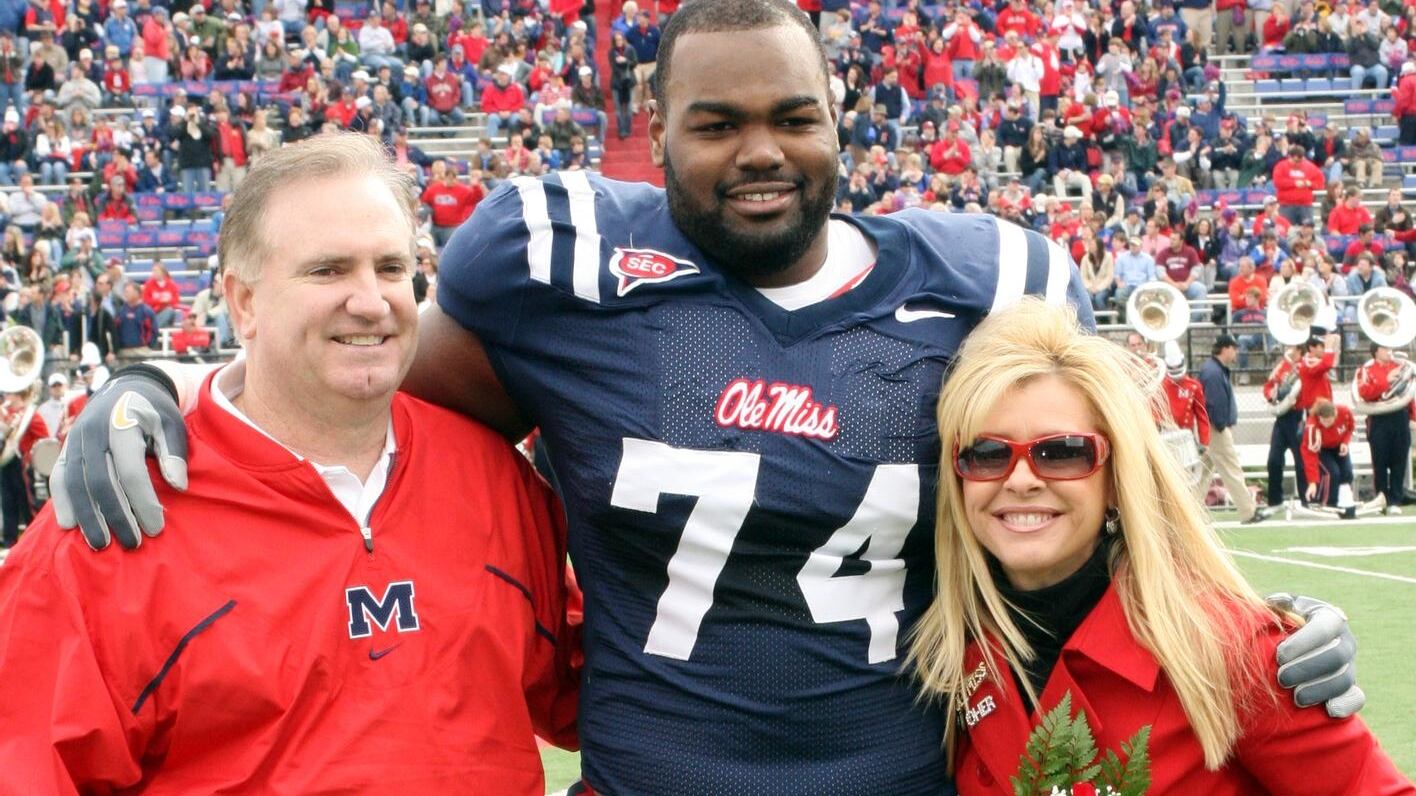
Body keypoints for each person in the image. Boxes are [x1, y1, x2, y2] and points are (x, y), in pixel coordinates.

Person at [51, 3, 1364, 794]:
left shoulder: (987, 279)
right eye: (714, 123)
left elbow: (1099, 506)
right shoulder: (558, 261)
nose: (759, 153)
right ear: (651, 129)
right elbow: (365, 388)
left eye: (793, 117)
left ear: (844, 120)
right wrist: (160, 382)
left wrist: (1266, 630)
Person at [0, 134, 580, 792]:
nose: (371, 300)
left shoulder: (493, 476)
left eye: (391, 268)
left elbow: (604, 693)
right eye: (328, 270)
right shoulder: (115, 515)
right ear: (242, 302)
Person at [908, 299, 1414, 794]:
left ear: (1115, 480)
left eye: (1061, 452)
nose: (1020, 480)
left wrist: (1263, 644)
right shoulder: (949, 656)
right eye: (988, 453)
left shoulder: (1231, 652)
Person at [1199, 334, 1264, 522]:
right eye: (1234, 348)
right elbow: (1214, 402)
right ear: (1225, 349)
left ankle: (1191, 511)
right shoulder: (1213, 372)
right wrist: (1222, 425)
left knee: (1204, 471)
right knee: (1231, 469)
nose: (1236, 352)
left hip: (1211, 427)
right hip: (1216, 428)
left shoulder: (1213, 370)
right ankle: (1248, 511)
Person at [1353, 341, 1414, 514]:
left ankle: (1395, 500)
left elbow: (1408, 392)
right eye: (1385, 348)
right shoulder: (1366, 370)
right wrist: (1386, 381)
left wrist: (1413, 416)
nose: (1389, 351)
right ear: (1376, 351)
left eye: (1389, 347)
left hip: (1400, 417)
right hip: (1379, 418)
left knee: (1399, 461)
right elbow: (1365, 392)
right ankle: (1381, 498)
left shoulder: (1400, 367)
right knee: (1379, 462)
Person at [1302, 399, 1358, 516]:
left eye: (1329, 421)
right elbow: (1309, 454)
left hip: (1338, 446)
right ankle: (1329, 504)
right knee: (1332, 473)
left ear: (1335, 415)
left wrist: (1345, 442)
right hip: (1322, 450)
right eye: (1324, 421)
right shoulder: (1312, 427)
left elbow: (1350, 428)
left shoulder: (1345, 412)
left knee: (1347, 473)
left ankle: (1345, 503)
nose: (1326, 424)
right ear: (1319, 417)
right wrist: (1312, 482)